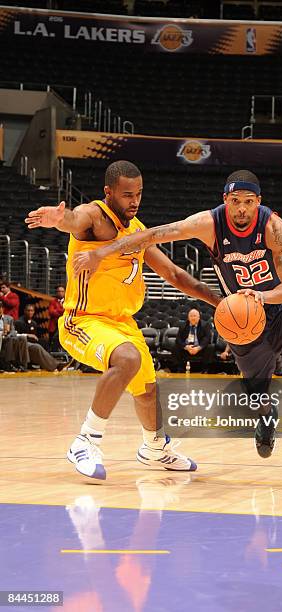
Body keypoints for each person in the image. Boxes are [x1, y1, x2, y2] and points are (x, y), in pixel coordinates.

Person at [73, 169, 282, 483]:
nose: (242, 209)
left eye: (249, 202)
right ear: (226, 200)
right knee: (256, 390)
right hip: (243, 317)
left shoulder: (273, 227)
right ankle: (266, 418)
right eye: (235, 201)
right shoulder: (210, 223)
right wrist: (102, 251)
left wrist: (262, 296)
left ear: (259, 202)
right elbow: (153, 235)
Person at [25, 160, 221, 480]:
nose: (135, 200)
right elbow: (77, 219)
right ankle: (85, 440)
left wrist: (219, 301)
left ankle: (154, 447)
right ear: (109, 192)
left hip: (122, 323)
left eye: (139, 194)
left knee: (147, 389)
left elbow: (173, 274)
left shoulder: (138, 232)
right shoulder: (97, 217)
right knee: (127, 359)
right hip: (83, 320)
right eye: (128, 194)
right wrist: (62, 219)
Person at [15, 303, 65, 372]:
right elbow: (15, 335)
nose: (30, 312)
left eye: (32, 311)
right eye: (28, 310)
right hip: (21, 345)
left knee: (44, 342)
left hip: (30, 343)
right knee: (37, 347)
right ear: (24, 311)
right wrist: (27, 335)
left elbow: (35, 336)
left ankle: (47, 364)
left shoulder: (34, 323)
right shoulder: (18, 322)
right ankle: (55, 365)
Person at [173, 308, 215, 372]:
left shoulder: (205, 325)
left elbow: (207, 338)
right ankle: (180, 368)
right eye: (191, 316)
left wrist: (198, 348)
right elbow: (178, 339)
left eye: (195, 316)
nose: (193, 318)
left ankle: (205, 369)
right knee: (175, 347)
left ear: (199, 317)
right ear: (188, 317)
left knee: (210, 347)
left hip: (199, 348)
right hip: (187, 349)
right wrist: (186, 347)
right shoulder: (183, 325)